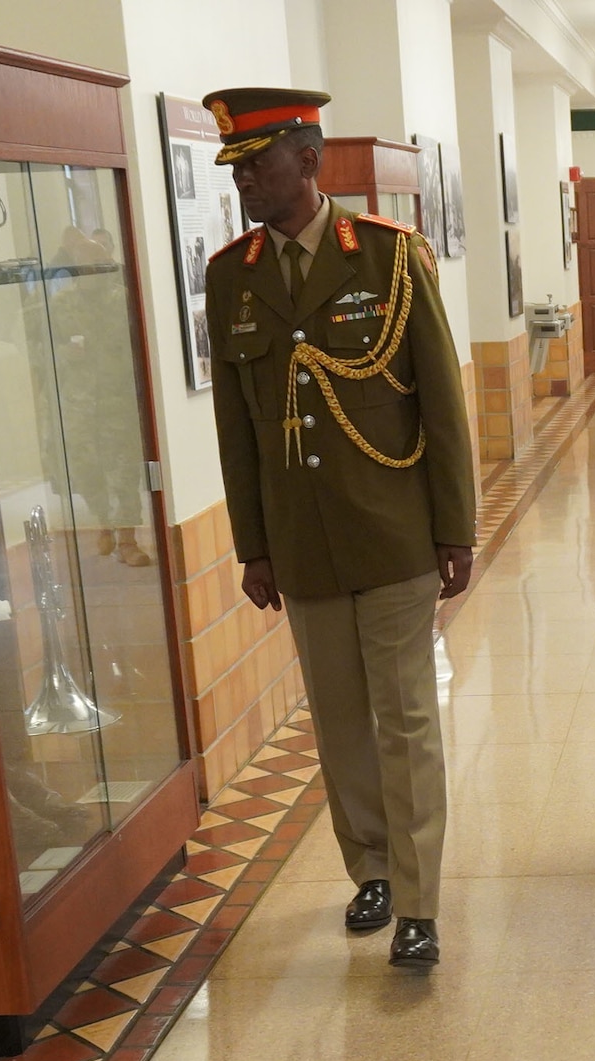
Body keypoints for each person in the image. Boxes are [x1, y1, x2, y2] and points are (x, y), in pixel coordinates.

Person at [202, 87, 476, 969]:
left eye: (259, 162)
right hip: (301, 539)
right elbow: (237, 433)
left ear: (309, 160)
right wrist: (253, 544)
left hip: (392, 528)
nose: (246, 180)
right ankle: (373, 871)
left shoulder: (389, 258)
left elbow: (441, 401)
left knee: (404, 718)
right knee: (340, 722)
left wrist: (454, 527)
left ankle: (420, 899)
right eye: (236, 167)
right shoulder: (230, 275)